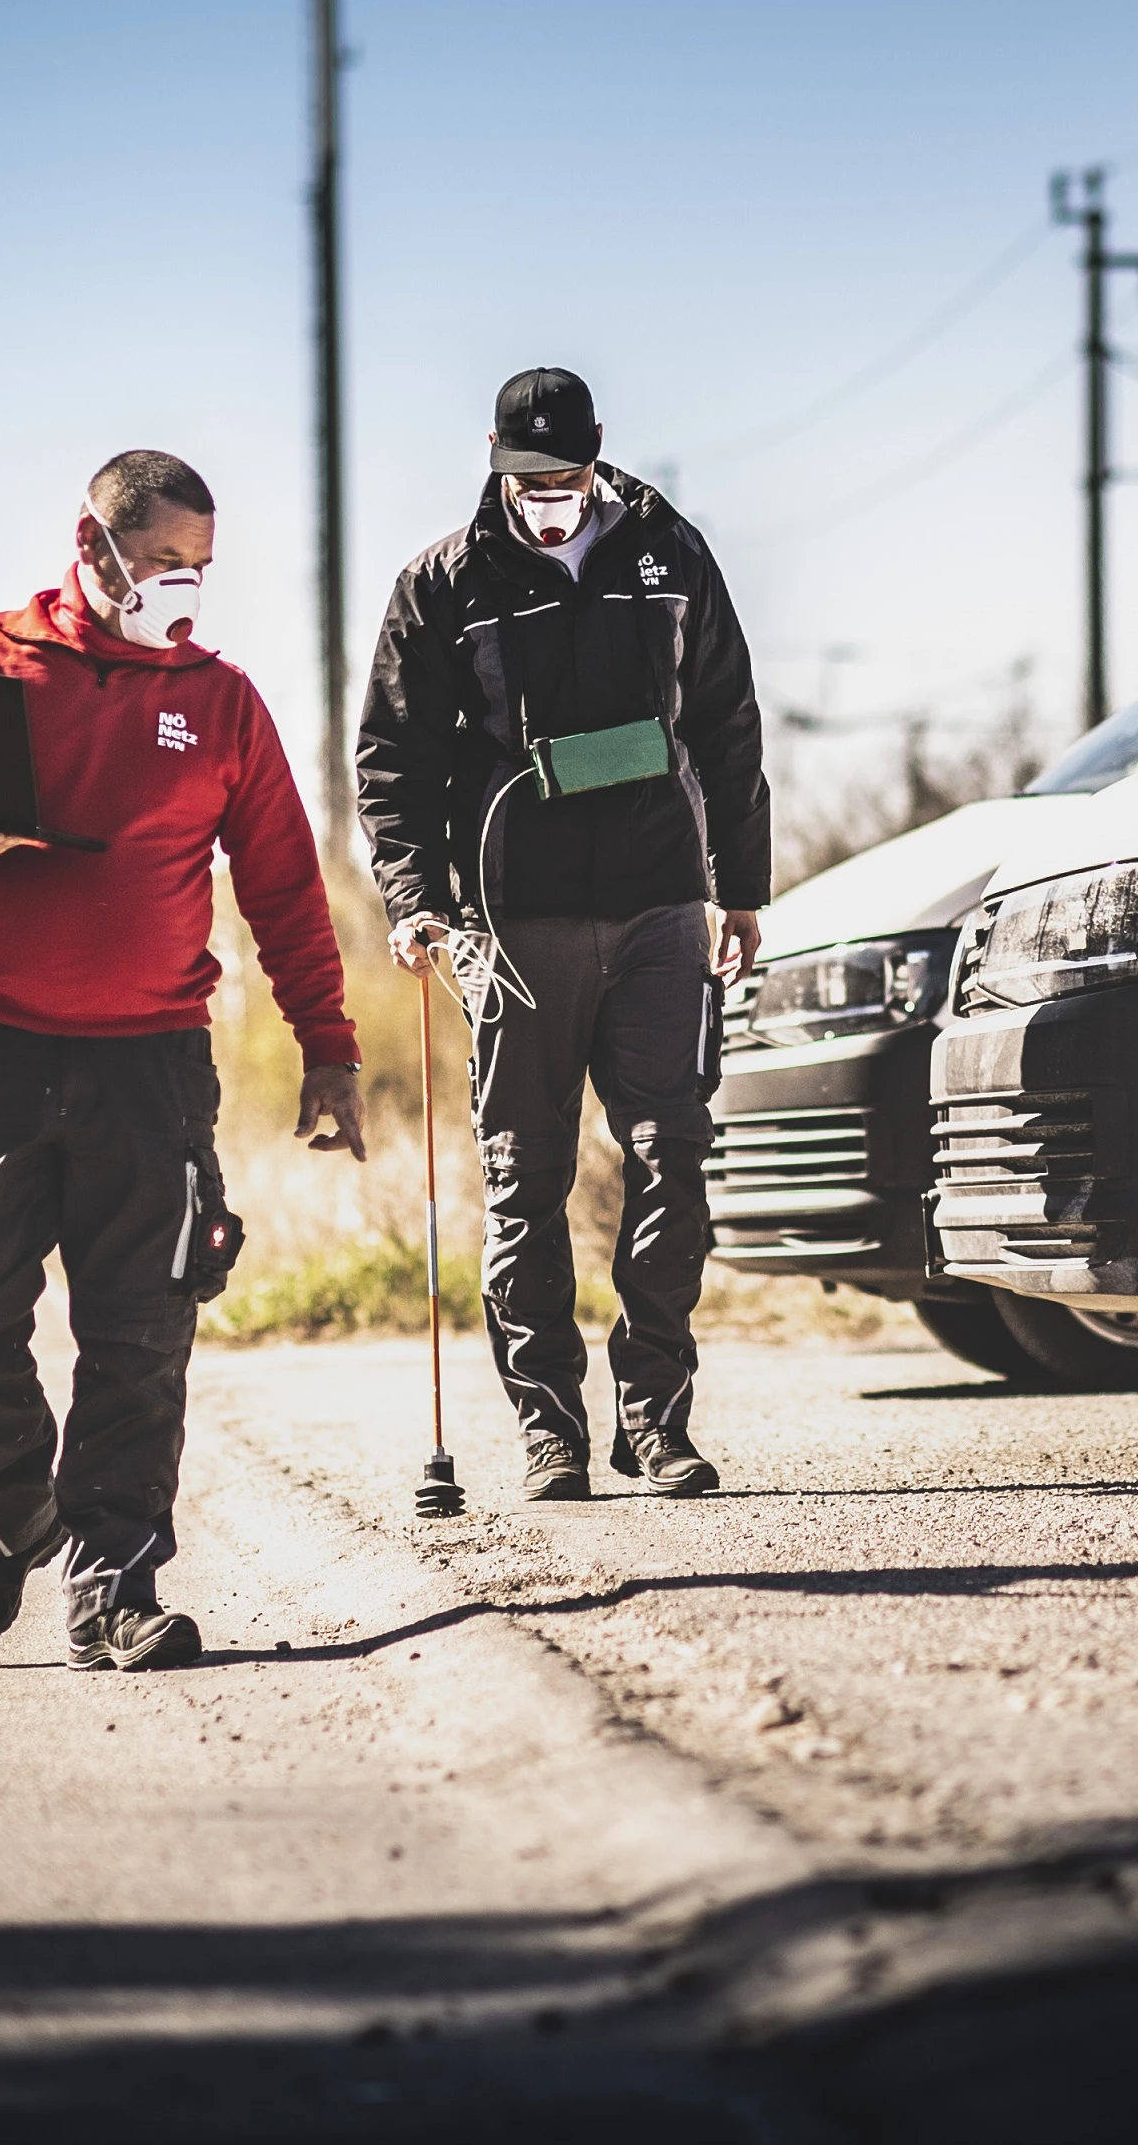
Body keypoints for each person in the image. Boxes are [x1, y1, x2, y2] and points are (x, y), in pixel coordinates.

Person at [0, 449, 366, 1671]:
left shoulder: (224, 701)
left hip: (150, 1065)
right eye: (160, 565)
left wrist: (329, 1051)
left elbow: (287, 889)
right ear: (90, 546)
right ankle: (11, 1509)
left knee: (141, 1336)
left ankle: (113, 1581)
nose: (181, 591)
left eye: (200, 570)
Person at [356, 366, 770, 1503]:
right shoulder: (443, 582)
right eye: (527, 478)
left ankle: (655, 1418)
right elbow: (392, 758)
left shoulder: (668, 554)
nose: (548, 496)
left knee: (667, 1158)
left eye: (568, 476)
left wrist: (741, 887)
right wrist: (414, 897)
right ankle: (552, 1433)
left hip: (658, 904)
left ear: (598, 458)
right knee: (522, 1178)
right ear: (493, 459)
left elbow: (729, 722)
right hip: (512, 919)